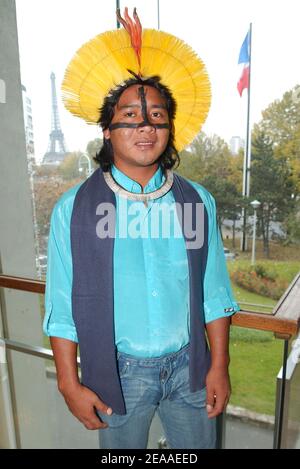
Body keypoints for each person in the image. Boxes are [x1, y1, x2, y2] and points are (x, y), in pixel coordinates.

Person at [43, 8, 240, 449]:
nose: (145, 127)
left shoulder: (197, 201)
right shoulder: (73, 210)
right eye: (130, 115)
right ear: (107, 129)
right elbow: (60, 306)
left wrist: (218, 365)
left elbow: (214, 294)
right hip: (118, 374)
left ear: (170, 127)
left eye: (156, 116)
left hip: (191, 369)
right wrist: (67, 383)